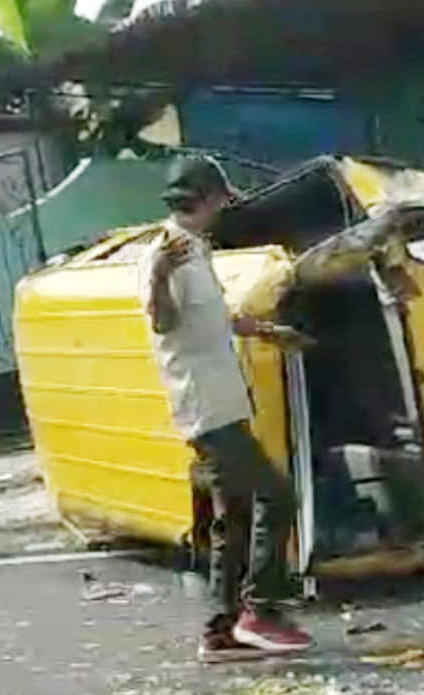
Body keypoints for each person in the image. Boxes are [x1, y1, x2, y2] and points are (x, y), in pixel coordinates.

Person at [140, 156, 316, 663]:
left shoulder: (196, 249)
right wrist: (156, 275)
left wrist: (264, 331)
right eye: (219, 196)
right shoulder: (166, 250)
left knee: (234, 514)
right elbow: (162, 322)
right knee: (278, 496)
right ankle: (258, 611)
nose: (224, 205)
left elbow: (210, 318)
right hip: (205, 407)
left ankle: (220, 631)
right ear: (204, 197)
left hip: (221, 399)